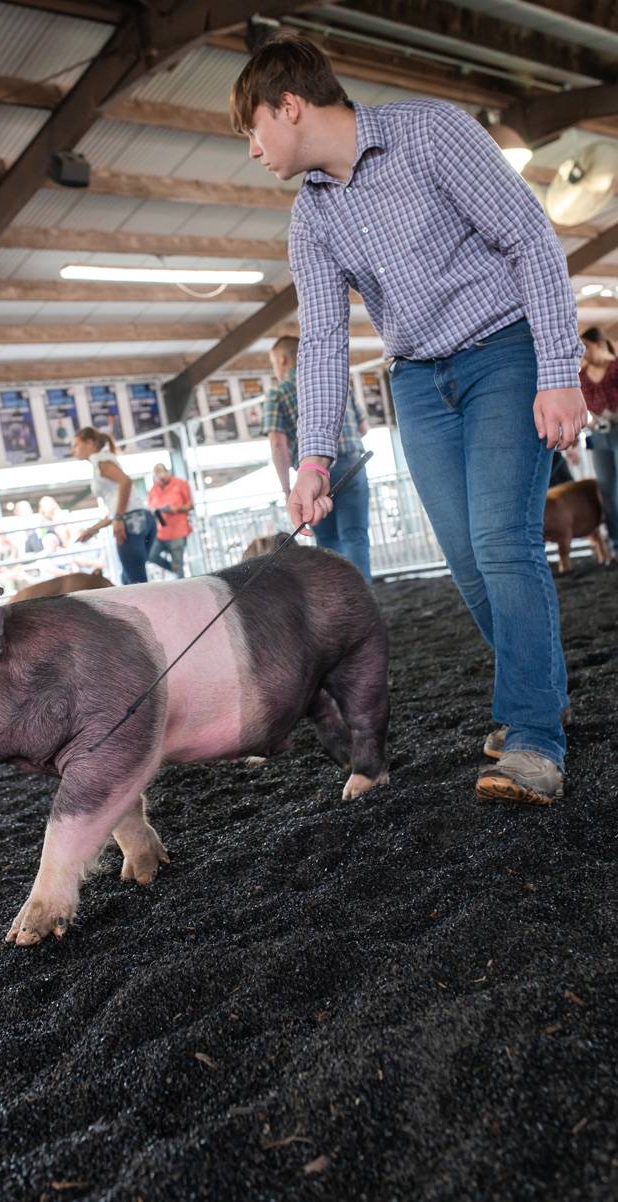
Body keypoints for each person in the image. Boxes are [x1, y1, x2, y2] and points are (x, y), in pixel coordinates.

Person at [231, 34, 589, 806]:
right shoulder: (311, 220)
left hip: (507, 353)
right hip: (418, 381)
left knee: (503, 541)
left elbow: (530, 238)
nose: (253, 148)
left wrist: (561, 372)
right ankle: (541, 690)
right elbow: (324, 341)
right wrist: (314, 459)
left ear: (289, 105)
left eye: (253, 127)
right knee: (466, 563)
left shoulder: (433, 132)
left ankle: (532, 738)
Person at [263, 333, 371, 580]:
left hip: (312, 471)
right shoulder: (335, 380)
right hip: (353, 463)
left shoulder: (278, 393)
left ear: (282, 360)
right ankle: (364, 600)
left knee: (328, 541)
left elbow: (278, 445)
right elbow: (363, 427)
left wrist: (287, 488)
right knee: (356, 535)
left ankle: (342, 605)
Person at [72, 426, 155, 585]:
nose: (73, 450)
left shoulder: (99, 461)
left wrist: (118, 518)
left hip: (131, 521)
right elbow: (117, 505)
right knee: (129, 578)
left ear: (89, 442)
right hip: (142, 519)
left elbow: (126, 481)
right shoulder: (104, 459)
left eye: (76, 445)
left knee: (136, 582)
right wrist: (94, 529)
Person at [579, 327, 618, 562]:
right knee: (606, 490)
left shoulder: (614, 368)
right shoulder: (582, 375)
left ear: (597, 345)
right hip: (598, 434)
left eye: (586, 345)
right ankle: (615, 542)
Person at [146, 463, 194, 578]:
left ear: (167, 473)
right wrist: (155, 511)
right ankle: (174, 568)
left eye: (163, 478)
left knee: (179, 566)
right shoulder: (153, 490)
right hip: (161, 533)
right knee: (152, 556)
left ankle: (182, 585)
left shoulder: (181, 484)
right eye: (159, 479)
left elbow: (190, 505)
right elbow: (150, 507)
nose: (161, 481)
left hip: (178, 531)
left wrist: (176, 509)